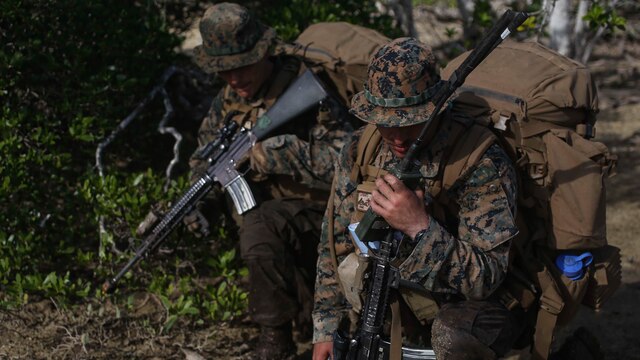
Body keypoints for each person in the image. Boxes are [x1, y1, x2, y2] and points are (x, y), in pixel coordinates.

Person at [312, 37, 527, 360]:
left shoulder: (479, 161)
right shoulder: (361, 149)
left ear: (436, 109)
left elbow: (486, 280)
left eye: (409, 121)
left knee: (454, 336)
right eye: (386, 122)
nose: (397, 136)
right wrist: (326, 328)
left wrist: (420, 227)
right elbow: (335, 244)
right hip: (388, 304)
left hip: (467, 311)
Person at [188, 3, 354, 359]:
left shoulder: (308, 89)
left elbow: (350, 161)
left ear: (264, 53)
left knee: (260, 227)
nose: (234, 79)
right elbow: (205, 157)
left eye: (242, 66)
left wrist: (276, 153)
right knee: (260, 226)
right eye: (224, 71)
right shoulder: (229, 101)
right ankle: (285, 327)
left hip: (330, 217)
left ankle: (275, 341)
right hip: (281, 226)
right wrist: (196, 201)